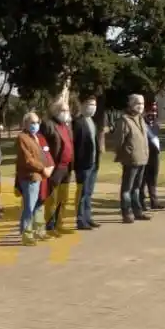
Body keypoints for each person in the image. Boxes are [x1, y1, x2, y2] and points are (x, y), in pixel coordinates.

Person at [15, 112, 53, 245]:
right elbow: (28, 160)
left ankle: (39, 231)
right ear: (25, 124)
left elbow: (47, 153)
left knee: (39, 205)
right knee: (29, 207)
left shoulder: (39, 137)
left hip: (42, 176)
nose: (35, 125)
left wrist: (50, 167)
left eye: (37, 122)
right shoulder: (22, 138)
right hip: (30, 176)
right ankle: (26, 234)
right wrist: (43, 168)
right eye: (32, 122)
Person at [115, 94, 150, 224]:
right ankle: (127, 212)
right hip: (131, 159)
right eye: (137, 103)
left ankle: (138, 211)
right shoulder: (124, 120)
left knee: (137, 187)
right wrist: (125, 154)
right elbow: (119, 141)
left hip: (143, 158)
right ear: (130, 104)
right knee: (127, 188)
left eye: (142, 103)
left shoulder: (141, 118)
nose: (140, 106)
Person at [41, 102, 74, 236]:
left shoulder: (67, 126)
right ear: (55, 111)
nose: (66, 112)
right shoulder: (48, 125)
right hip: (55, 167)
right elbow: (43, 146)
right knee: (52, 198)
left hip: (67, 167)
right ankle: (50, 226)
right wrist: (47, 164)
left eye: (67, 110)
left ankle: (59, 224)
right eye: (63, 110)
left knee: (63, 198)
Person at [72, 95, 101, 230]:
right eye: (90, 104)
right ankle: (80, 219)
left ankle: (88, 217)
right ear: (83, 105)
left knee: (89, 192)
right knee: (82, 193)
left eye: (94, 104)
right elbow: (75, 145)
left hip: (93, 162)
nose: (93, 107)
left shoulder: (92, 121)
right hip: (83, 164)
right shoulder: (77, 123)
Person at [139, 101, 165, 213]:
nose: (152, 113)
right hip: (144, 155)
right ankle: (141, 202)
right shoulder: (141, 123)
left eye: (154, 111)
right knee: (142, 181)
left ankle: (154, 202)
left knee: (153, 179)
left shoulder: (155, 124)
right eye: (150, 110)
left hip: (154, 156)